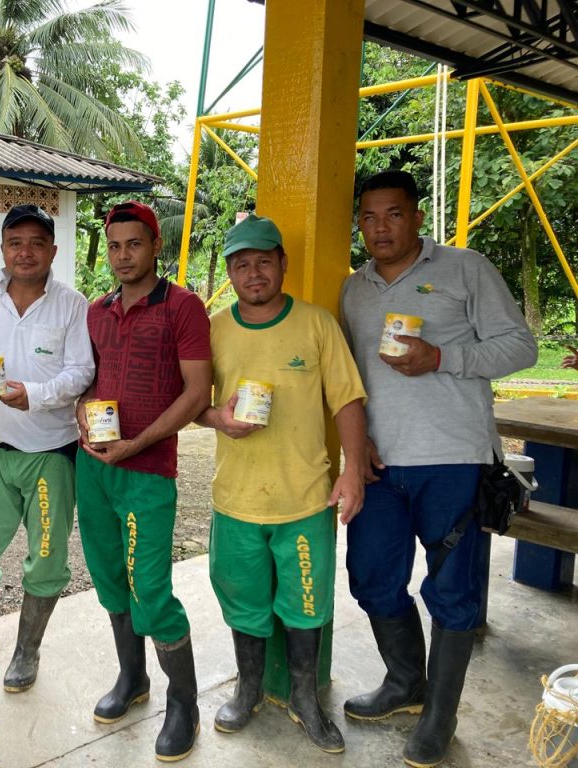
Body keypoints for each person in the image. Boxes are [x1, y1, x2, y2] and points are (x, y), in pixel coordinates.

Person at [340, 170, 537, 768]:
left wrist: (443, 357)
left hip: (454, 458)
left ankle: (439, 717)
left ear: (417, 217)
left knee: (452, 591)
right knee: (372, 577)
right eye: (369, 217)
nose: (380, 227)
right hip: (380, 464)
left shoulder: (465, 268)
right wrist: (356, 446)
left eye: (394, 214)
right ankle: (406, 683)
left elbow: (520, 347)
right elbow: (348, 379)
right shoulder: (354, 289)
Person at [196, 215, 367, 754]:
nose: (254, 274)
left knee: (305, 605)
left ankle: (304, 699)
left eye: (264, 262)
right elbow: (189, 400)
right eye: (242, 265)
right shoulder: (213, 329)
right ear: (230, 272)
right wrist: (217, 418)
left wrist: (353, 470)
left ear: (283, 264)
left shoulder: (317, 324)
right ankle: (248, 690)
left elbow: (347, 398)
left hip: (305, 498)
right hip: (237, 498)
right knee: (244, 602)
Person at [0, 205, 95, 702]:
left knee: (47, 560)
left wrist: (35, 394)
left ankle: (27, 652)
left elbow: (82, 371)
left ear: (52, 249)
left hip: (51, 452)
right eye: (15, 242)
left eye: (36, 243)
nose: (25, 252)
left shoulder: (72, 304)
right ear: (3, 248)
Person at [75, 201, 212, 762]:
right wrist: (84, 411)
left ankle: (184, 703)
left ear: (156, 246)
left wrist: (137, 443)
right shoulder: (97, 311)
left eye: (134, 244)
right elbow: (91, 380)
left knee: (150, 590)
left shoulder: (182, 307)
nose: (123, 256)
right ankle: (132, 678)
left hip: (148, 472)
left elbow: (197, 393)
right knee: (109, 578)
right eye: (114, 246)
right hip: (94, 467)